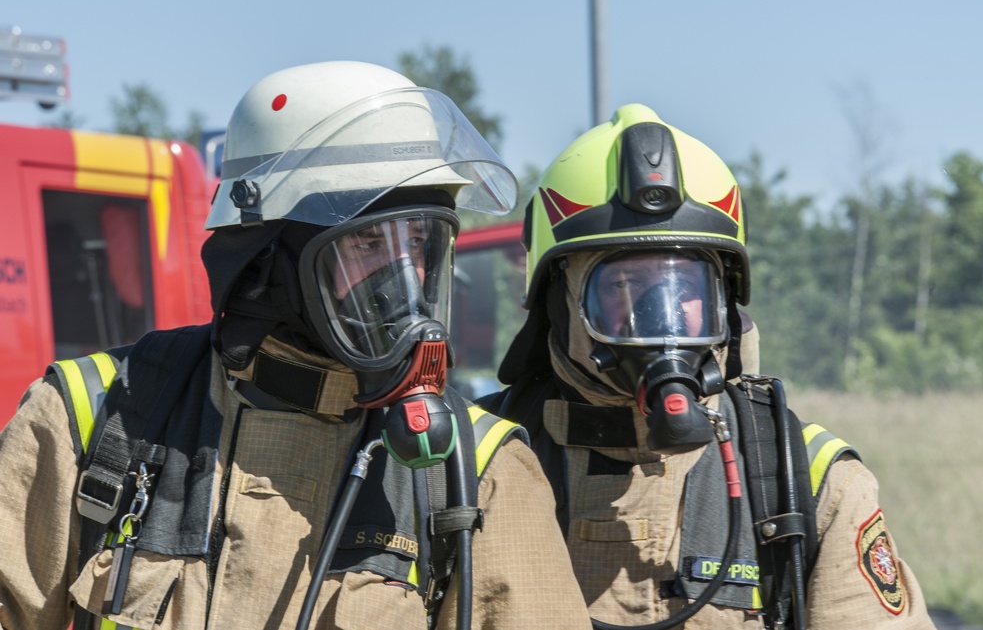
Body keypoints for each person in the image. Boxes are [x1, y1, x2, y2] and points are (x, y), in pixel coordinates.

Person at [0, 61, 591, 630]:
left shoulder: (480, 470)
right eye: (367, 245)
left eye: (419, 243)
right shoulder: (94, 417)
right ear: (268, 259)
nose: (404, 279)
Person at [480, 103, 935, 629]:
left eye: (683, 287)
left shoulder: (805, 481)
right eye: (623, 285)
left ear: (724, 300)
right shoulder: (475, 467)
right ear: (559, 303)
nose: (660, 317)